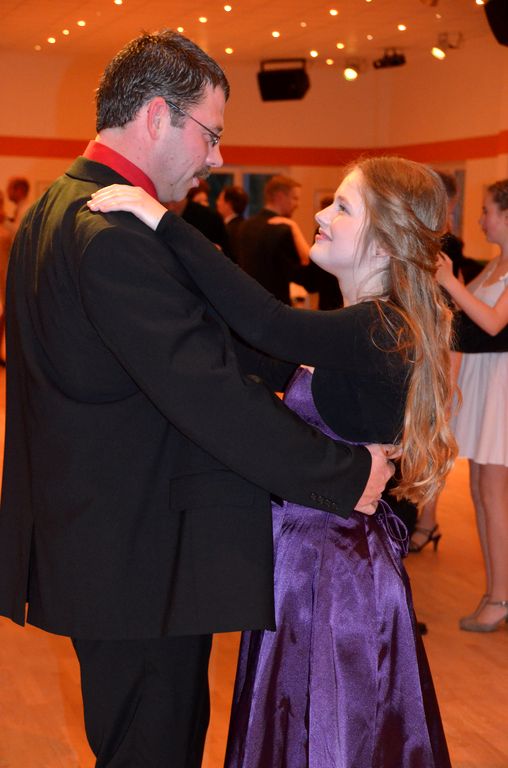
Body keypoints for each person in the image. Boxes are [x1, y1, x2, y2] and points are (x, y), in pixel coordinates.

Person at [0, 30, 392, 768]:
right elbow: (206, 392)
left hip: (107, 538)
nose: (215, 157)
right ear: (157, 116)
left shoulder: (59, 206)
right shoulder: (110, 233)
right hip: (141, 553)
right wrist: (344, 474)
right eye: (211, 134)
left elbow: (201, 345)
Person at [88, 154, 457, 767]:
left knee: (334, 734)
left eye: (343, 206)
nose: (321, 214)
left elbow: (264, 323)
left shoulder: (378, 328)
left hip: (337, 571)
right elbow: (252, 351)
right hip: (311, 559)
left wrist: (165, 223)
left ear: (386, 240)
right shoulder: (357, 327)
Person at [436, 178, 508, 633]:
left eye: (487, 211)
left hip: (502, 384)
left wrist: (449, 281)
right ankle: (495, 591)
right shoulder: (496, 264)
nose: (480, 219)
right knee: (482, 489)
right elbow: (465, 315)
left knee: (493, 493)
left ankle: (500, 596)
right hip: (487, 379)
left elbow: (494, 322)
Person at [238, 174, 313, 304]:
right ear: (280, 197)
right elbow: (306, 274)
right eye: (295, 198)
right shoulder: (282, 230)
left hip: (248, 301)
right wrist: (294, 228)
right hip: (274, 305)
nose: (297, 204)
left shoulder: (245, 226)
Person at [216, 184, 248, 262]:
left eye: (220, 199)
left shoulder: (227, 230)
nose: (217, 203)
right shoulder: (246, 226)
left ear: (228, 204)